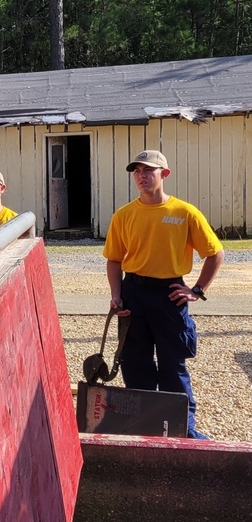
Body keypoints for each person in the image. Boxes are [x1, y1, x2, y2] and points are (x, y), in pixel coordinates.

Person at [104, 150, 224, 439]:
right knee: (135, 361)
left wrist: (197, 290)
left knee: (173, 363)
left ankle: (183, 428)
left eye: (149, 170)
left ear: (164, 174)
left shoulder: (184, 212)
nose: (142, 176)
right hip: (133, 294)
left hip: (170, 295)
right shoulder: (124, 215)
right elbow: (114, 259)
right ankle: (143, 426)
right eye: (137, 171)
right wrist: (116, 295)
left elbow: (215, 253)